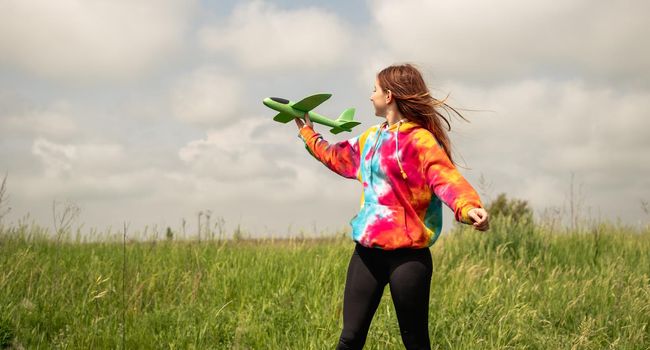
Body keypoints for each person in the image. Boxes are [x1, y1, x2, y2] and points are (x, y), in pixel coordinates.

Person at [294, 63, 489, 350]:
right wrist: (309, 135)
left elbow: (445, 179)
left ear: (389, 96)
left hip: (409, 258)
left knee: (415, 342)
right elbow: (338, 157)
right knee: (349, 338)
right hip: (367, 253)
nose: (369, 95)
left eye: (374, 89)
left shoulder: (420, 141)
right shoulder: (370, 138)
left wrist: (468, 206)